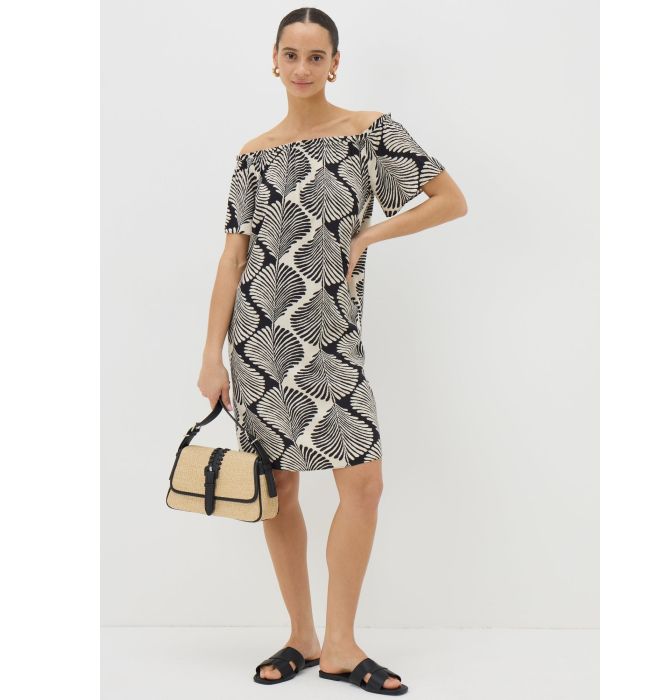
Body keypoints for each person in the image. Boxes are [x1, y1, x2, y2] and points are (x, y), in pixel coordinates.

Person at [197, 7, 468, 695]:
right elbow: (232, 260)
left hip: (332, 341)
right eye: (291, 55)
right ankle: (304, 636)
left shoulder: (370, 132)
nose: (302, 68)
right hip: (259, 341)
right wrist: (210, 356)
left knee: (364, 485)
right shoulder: (253, 153)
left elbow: (450, 199)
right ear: (273, 59)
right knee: (280, 489)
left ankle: (343, 644)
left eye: (316, 56)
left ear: (335, 64)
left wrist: (368, 236)